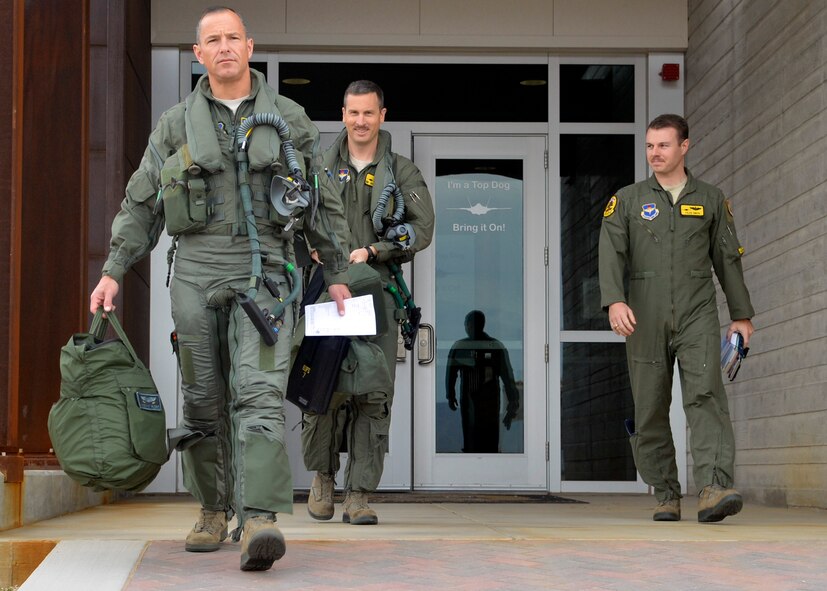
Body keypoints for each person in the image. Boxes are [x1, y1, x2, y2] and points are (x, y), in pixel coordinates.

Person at [89, 6, 352, 571]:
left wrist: (335, 273)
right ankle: (212, 509)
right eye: (214, 39)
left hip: (267, 274)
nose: (225, 46)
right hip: (196, 270)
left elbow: (320, 201)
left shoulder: (290, 117)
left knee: (258, 397)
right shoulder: (175, 125)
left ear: (250, 46)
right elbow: (142, 201)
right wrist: (114, 268)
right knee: (203, 401)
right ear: (198, 54)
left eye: (234, 37)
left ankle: (259, 518)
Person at [598, 113, 755, 523]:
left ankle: (713, 488)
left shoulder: (710, 198)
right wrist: (615, 301)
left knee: (705, 396)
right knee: (650, 405)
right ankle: (666, 492)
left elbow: (727, 258)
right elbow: (609, 254)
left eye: (663, 145)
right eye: (650, 146)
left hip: (696, 312)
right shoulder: (627, 200)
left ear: (684, 146)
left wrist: (740, 315)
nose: (655, 153)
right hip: (644, 316)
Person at [300, 80, 434, 525]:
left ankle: (359, 494)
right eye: (353, 113)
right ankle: (323, 480)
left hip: (377, 296)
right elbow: (290, 219)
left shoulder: (401, 171)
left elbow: (422, 228)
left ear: (382, 116)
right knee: (322, 390)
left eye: (369, 113)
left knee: (372, 395)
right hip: (327, 293)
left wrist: (377, 249)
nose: (360, 121)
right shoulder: (317, 165)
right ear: (342, 114)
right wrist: (312, 248)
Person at [445, 310, 520, 453]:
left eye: (469, 324)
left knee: (489, 438)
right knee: (471, 437)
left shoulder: (494, 347)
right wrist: (450, 395)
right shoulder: (461, 347)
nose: (468, 328)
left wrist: (513, 403)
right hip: (470, 400)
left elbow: (507, 377)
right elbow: (451, 372)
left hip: (489, 401)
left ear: (473, 325)